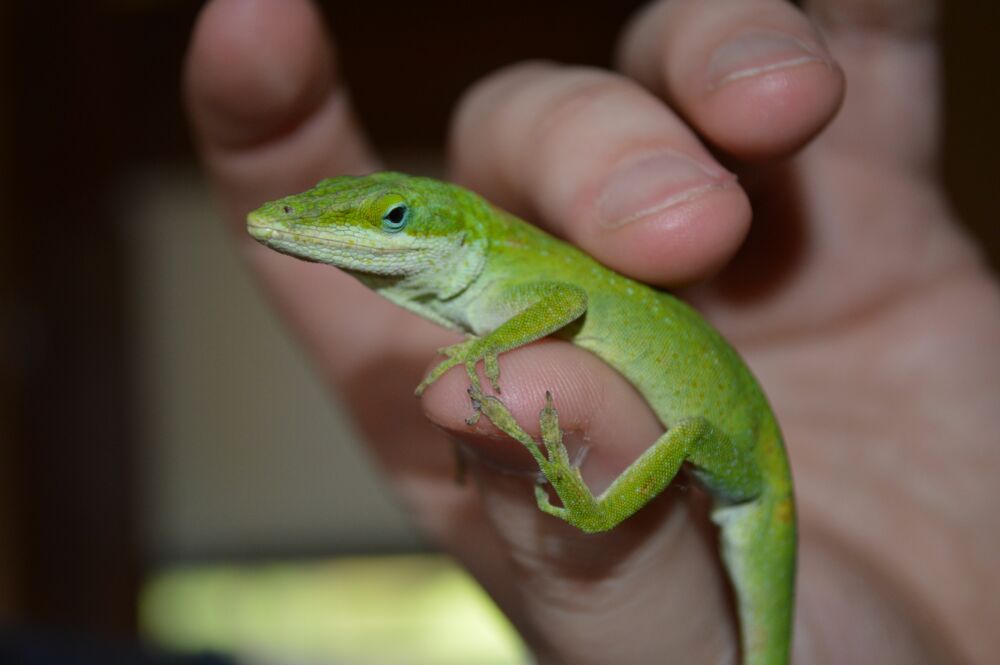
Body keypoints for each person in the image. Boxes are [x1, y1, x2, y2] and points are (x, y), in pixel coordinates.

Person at [184, 0, 999, 662]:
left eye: (393, 219)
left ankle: (605, 513)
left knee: (680, 433)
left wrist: (493, 353)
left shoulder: (515, 279)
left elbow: (565, 312)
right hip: (761, 479)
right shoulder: (499, 275)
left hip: (751, 481)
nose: (349, 230)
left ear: (455, 234)